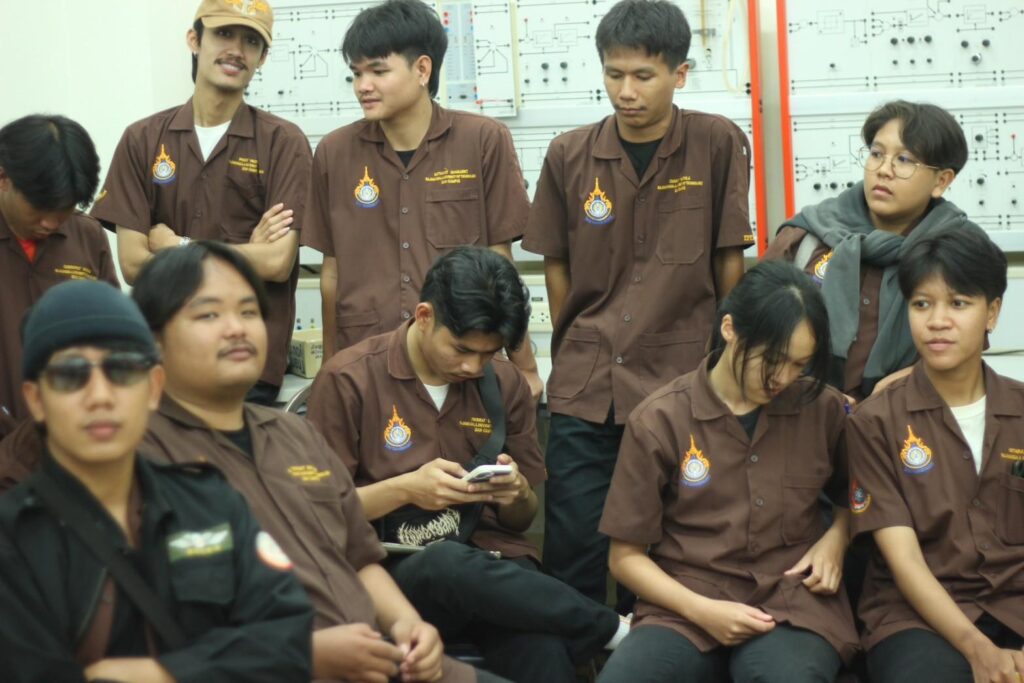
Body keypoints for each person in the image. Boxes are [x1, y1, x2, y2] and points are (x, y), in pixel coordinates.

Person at [134, 241, 500, 683]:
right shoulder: (137, 462)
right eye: (209, 315)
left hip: (381, 660)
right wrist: (302, 654)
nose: (236, 329)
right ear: (152, 339)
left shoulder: (295, 436)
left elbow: (358, 558)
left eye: (249, 312)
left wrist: (408, 624)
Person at [522, 0, 754, 604]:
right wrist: (576, 338)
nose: (626, 92)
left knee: (668, 544)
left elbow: (729, 259)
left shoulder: (717, 143)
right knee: (572, 545)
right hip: (587, 384)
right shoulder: (568, 154)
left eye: (643, 76)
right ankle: (576, 649)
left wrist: (725, 361)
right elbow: (555, 262)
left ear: (680, 74)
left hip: (682, 380)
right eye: (614, 74)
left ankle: (652, 644)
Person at [307, 247, 627, 683]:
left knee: (544, 654)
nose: (472, 366)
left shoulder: (505, 382)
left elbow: (521, 520)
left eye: (488, 353)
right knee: (445, 563)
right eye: (461, 349)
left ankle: (601, 635)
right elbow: (319, 516)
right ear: (424, 316)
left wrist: (516, 494)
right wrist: (405, 489)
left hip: (494, 566)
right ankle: (613, 630)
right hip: (396, 572)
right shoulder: (349, 379)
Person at [0, 280, 312, 682]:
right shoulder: (12, 539)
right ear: (36, 400)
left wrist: (164, 673)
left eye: (122, 371)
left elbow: (289, 641)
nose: (100, 396)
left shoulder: (210, 503)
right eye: (70, 376)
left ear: (153, 388)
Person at [595, 261, 858, 683]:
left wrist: (837, 539)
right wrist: (703, 611)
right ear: (730, 328)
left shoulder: (824, 409)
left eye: (799, 364)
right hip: (685, 603)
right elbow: (624, 558)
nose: (783, 378)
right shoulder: (660, 419)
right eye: (772, 359)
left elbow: (859, 495)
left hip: (792, 601)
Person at [300, 0, 543, 400]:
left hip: (462, 363)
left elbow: (501, 265)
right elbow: (331, 275)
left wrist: (525, 368)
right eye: (356, 73)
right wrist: (330, 369)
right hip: (366, 365)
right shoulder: (334, 152)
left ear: (422, 70)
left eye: (378, 71)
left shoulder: (483, 141)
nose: (363, 85)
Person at [90, 0, 311, 406]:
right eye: (224, 34)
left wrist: (177, 247)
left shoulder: (284, 142)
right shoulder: (142, 139)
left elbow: (277, 262)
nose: (236, 50)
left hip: (247, 369)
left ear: (263, 57)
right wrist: (245, 254)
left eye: (251, 42)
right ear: (194, 40)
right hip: (165, 361)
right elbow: (134, 264)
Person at [847, 223, 1024, 683]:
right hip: (915, 618)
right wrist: (979, 650)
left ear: (992, 312)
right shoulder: (876, 421)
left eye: (958, 303)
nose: (937, 321)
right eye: (922, 304)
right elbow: (904, 561)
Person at [763, 100, 970, 403]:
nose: (883, 170)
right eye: (876, 154)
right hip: (800, 414)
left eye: (904, 160)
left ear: (941, 181)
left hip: (906, 418)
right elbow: (751, 335)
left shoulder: (960, 253)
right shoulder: (805, 237)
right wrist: (819, 398)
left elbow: (966, 351)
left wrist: (902, 386)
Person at [0, 114, 117, 433]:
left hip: (72, 437)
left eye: (64, 209)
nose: (51, 223)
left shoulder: (87, 236)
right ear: (4, 178)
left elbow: (113, 338)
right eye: (39, 208)